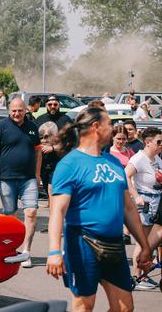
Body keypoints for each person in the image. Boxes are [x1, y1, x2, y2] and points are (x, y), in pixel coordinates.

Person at [47, 107, 152, 311]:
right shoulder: (69, 164)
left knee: (125, 308)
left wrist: (145, 245)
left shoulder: (114, 162)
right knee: (84, 306)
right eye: (109, 124)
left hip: (114, 245)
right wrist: (54, 251)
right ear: (96, 127)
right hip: (83, 244)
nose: (113, 129)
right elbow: (57, 211)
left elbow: (128, 208)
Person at [0, 97, 41, 268]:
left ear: (25, 110)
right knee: (11, 216)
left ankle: (26, 251)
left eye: (20, 110)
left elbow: (38, 153)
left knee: (31, 212)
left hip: (28, 179)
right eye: (14, 111)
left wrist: (37, 175)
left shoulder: (32, 127)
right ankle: (13, 250)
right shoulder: (0, 127)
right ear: (9, 111)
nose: (17, 113)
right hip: (6, 179)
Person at [124, 127, 162, 286]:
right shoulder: (139, 158)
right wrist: (136, 196)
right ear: (148, 142)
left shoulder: (157, 158)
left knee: (152, 241)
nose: (161, 144)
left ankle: (143, 275)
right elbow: (125, 176)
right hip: (145, 203)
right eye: (159, 142)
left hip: (157, 202)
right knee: (143, 241)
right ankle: (137, 276)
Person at [39, 121, 60, 208]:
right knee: (45, 185)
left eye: (47, 136)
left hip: (55, 164)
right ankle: (50, 203)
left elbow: (65, 146)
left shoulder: (58, 139)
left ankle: (53, 208)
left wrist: (52, 148)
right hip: (44, 165)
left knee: (51, 187)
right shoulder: (40, 138)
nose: (44, 139)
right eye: (42, 136)